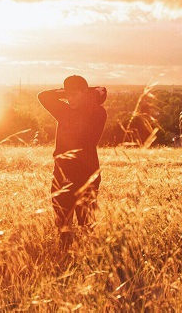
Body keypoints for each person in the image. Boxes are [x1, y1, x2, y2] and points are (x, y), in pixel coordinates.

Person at [37, 75, 107, 252]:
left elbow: (88, 140)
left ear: (85, 94)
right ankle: (65, 256)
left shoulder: (97, 112)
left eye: (75, 94)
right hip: (62, 172)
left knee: (87, 223)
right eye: (68, 95)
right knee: (62, 222)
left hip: (86, 174)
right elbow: (43, 96)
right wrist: (67, 92)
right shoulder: (63, 110)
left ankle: (89, 259)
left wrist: (89, 94)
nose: (70, 99)